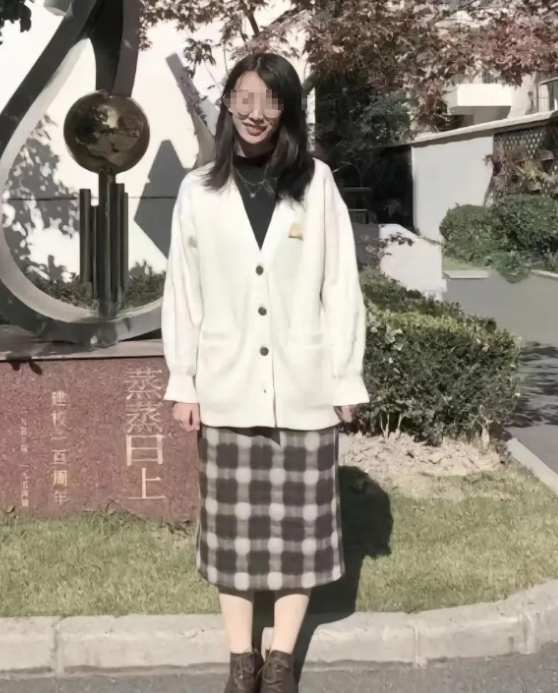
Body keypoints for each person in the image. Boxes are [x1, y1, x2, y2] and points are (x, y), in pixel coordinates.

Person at [162, 52, 369, 693]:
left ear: (288, 110)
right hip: (225, 387)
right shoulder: (199, 189)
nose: (256, 113)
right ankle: (240, 661)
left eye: (271, 101)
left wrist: (346, 378)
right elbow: (183, 293)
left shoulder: (317, 183)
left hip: (304, 388)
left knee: (299, 536)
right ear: (227, 103)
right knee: (233, 538)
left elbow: (341, 285)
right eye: (245, 98)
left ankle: (279, 661)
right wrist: (183, 380)